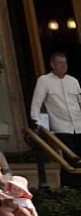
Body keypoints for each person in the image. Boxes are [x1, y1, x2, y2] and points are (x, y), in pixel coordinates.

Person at [30, 51, 81, 183]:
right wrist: (36, 123)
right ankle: (69, 188)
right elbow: (36, 103)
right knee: (68, 159)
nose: (63, 66)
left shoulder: (73, 81)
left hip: (78, 125)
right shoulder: (44, 81)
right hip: (61, 126)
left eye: (65, 63)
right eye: (59, 63)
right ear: (52, 64)